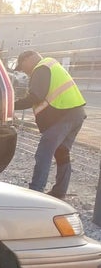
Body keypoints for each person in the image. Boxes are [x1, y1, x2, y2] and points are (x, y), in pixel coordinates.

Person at [13, 50, 86, 199]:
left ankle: (35, 192)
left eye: (22, 67)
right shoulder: (51, 65)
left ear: (27, 59)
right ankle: (60, 192)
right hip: (76, 113)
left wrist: (11, 105)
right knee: (62, 153)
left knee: (43, 154)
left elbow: (35, 96)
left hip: (63, 115)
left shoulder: (41, 68)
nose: (24, 72)